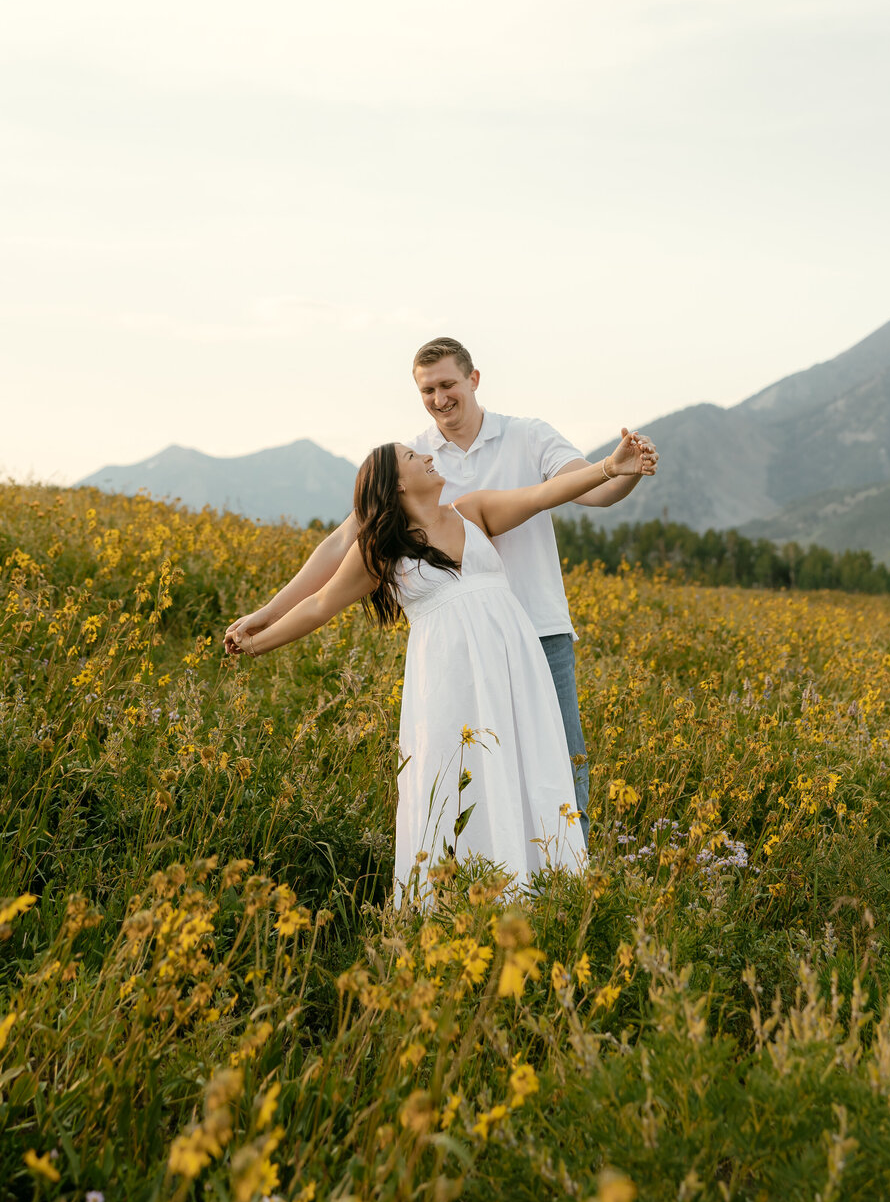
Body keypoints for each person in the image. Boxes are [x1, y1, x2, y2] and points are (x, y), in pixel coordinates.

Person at [224, 338, 656, 844]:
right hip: (458, 650)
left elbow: (588, 490)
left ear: (473, 379)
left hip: (537, 630)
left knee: (558, 762)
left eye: (448, 384)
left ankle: (566, 881)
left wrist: (619, 470)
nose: (438, 398)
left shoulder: (523, 440)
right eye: (427, 389)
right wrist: (268, 614)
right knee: (473, 771)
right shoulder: (412, 461)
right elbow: (342, 545)